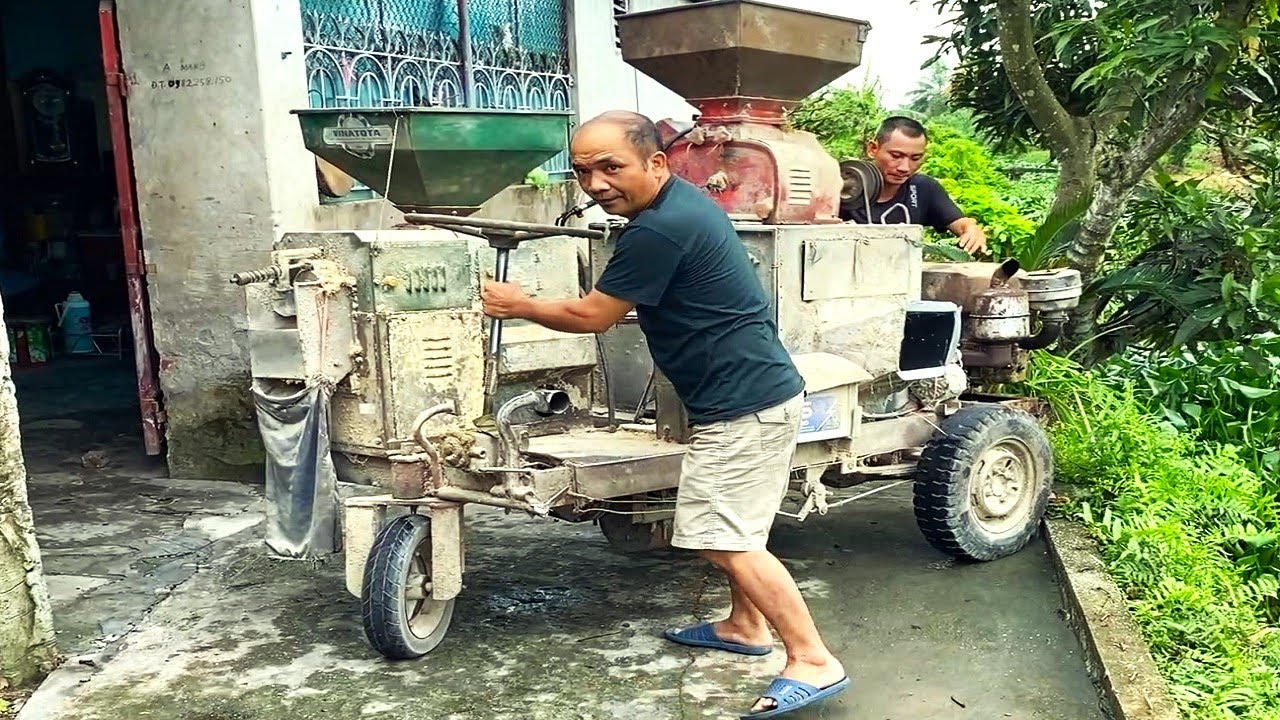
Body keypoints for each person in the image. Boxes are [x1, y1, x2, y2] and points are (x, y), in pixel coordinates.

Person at [480, 110, 850, 718]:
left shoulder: (658, 229)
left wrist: (520, 304)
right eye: (582, 171)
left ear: (655, 162)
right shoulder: (678, 209)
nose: (596, 183)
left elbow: (592, 316)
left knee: (719, 537)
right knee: (740, 529)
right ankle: (744, 627)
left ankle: (812, 658)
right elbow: (644, 302)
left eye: (611, 167)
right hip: (755, 396)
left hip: (744, 408)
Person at [840, 115, 989, 255]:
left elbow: (960, 223)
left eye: (915, 158)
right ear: (873, 149)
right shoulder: (838, 185)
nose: (905, 167)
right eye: (896, 156)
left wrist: (971, 230)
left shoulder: (923, 188)